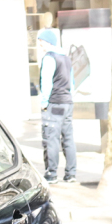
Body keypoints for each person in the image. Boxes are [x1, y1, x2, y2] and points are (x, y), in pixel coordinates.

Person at [37, 28, 76, 184]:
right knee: (68, 139)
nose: (40, 45)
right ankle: (71, 174)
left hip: (54, 103)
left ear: (48, 41)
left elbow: (47, 83)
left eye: (41, 42)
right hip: (67, 102)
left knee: (51, 139)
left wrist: (44, 103)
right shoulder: (66, 58)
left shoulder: (49, 58)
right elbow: (72, 83)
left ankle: (51, 174)